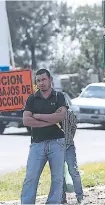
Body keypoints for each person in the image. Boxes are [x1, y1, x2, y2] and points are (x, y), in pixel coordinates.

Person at [21, 69, 68, 204]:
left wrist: (39, 116)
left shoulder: (59, 97)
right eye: (38, 80)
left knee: (57, 178)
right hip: (37, 143)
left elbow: (61, 116)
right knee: (31, 177)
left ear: (50, 79)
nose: (41, 83)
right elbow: (26, 121)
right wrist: (50, 120)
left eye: (43, 79)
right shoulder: (32, 98)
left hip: (57, 142)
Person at [61, 98, 84, 204]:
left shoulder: (69, 113)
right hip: (56, 148)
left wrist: (69, 138)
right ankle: (62, 198)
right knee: (58, 174)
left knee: (73, 171)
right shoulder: (51, 114)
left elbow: (74, 127)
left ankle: (80, 196)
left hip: (68, 146)